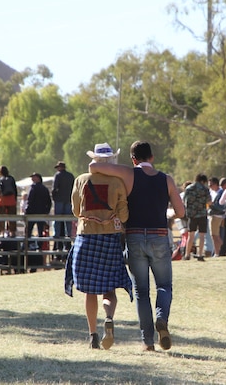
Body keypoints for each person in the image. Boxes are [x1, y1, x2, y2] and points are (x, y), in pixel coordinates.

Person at [89, 140, 185, 352]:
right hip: (159, 236)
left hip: (134, 236)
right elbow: (181, 211)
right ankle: (162, 319)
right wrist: (166, 212)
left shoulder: (129, 173)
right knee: (164, 286)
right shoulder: (166, 179)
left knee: (141, 291)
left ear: (133, 159)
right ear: (152, 157)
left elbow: (94, 167)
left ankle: (147, 341)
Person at [65, 142, 132, 350]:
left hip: (86, 238)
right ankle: (109, 317)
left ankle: (92, 334)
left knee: (89, 290)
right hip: (109, 238)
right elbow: (124, 215)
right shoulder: (118, 182)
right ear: (111, 160)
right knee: (109, 289)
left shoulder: (80, 180)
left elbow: (76, 211)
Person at [183, 174, 210, 261]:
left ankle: (187, 255)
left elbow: (184, 201)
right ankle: (200, 254)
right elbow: (209, 202)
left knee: (191, 235)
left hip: (192, 215)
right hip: (202, 214)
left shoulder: (189, 188)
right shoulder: (205, 189)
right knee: (202, 235)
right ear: (203, 181)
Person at [52, 161, 76, 253]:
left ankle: (57, 234)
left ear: (59, 168)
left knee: (58, 218)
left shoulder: (57, 175)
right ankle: (68, 234)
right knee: (68, 219)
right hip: (69, 199)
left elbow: (55, 188)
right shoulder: (70, 176)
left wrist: (54, 197)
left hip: (59, 200)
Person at [24, 172, 52, 240]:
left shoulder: (33, 188)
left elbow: (30, 200)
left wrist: (27, 211)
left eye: (34, 177)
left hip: (32, 213)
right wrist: (46, 211)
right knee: (40, 231)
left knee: (29, 231)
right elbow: (49, 201)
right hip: (41, 212)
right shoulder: (44, 188)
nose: (32, 178)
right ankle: (39, 246)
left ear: (38, 178)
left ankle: (27, 246)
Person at [0, 165, 18, 235]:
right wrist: (15, 200)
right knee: (12, 217)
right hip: (11, 200)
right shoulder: (12, 178)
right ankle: (12, 232)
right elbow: (15, 190)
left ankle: (2, 232)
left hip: (2, 200)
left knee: (1, 217)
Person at [207, 177, 226, 257]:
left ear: (216, 184)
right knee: (215, 235)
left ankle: (219, 251)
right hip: (214, 215)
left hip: (216, 215)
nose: (210, 187)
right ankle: (217, 252)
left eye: (211, 185)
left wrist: (211, 205)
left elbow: (221, 206)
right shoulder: (212, 192)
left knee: (215, 235)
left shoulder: (220, 192)